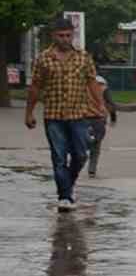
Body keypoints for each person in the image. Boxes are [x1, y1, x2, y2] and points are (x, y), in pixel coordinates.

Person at [24, 14, 106, 211]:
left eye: (68, 35)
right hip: (53, 117)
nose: (65, 39)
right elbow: (35, 87)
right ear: (54, 36)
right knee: (59, 157)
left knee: (80, 155)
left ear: (73, 35)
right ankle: (65, 197)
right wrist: (29, 113)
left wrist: (101, 104)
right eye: (61, 35)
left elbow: (92, 83)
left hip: (79, 116)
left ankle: (68, 184)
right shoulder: (44, 59)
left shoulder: (83, 57)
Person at [86, 75, 117, 177]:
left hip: (83, 118)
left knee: (81, 142)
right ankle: (92, 169)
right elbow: (111, 105)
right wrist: (113, 118)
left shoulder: (83, 87)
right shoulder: (104, 89)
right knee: (96, 146)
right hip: (99, 119)